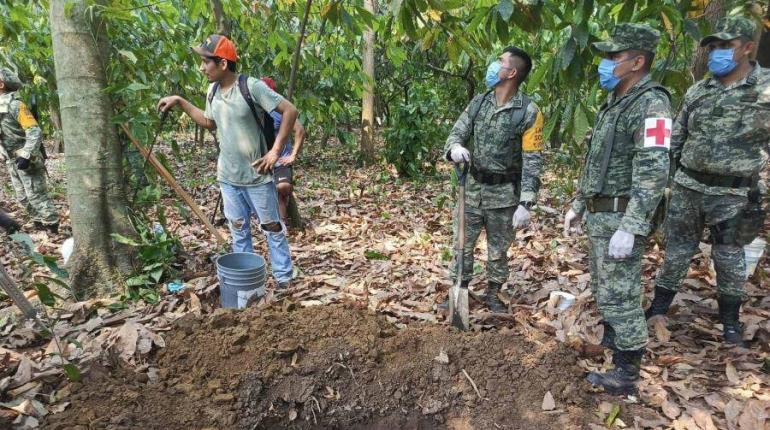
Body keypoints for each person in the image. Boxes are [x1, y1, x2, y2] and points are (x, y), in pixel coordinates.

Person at [563, 24, 672, 395]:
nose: (605, 64)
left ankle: (626, 374)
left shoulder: (652, 103)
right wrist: (579, 204)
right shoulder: (615, 104)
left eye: (613, 57)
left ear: (637, 61)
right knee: (604, 288)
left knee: (620, 295)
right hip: (601, 214)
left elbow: (654, 170)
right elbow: (597, 163)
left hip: (621, 218)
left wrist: (632, 225)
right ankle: (612, 348)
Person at [647, 17, 769, 347]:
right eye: (713, 48)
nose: (717, 54)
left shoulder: (765, 89)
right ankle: (658, 309)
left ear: (748, 47)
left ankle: (730, 324)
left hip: (734, 193)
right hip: (689, 187)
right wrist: (667, 180)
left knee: (729, 259)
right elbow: (677, 137)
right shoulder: (699, 90)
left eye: (725, 47)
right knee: (676, 253)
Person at [157, 35, 297, 289]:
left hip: (257, 176)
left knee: (272, 228)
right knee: (238, 230)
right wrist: (179, 101)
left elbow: (290, 111)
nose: (202, 68)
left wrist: (276, 151)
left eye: (205, 62)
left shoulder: (251, 86)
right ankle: (246, 284)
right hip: (228, 178)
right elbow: (210, 121)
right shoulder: (212, 91)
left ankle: (284, 279)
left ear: (222, 64)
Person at [441, 46, 545, 313]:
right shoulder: (479, 103)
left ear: (511, 72)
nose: (493, 64)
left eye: (500, 61)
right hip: (472, 187)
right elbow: (457, 133)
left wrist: (526, 202)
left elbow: (533, 159)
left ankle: (493, 293)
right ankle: (459, 292)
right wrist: (454, 149)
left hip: (504, 194)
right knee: (462, 243)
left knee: (498, 250)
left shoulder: (529, 112)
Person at [0, 68, 59, 233]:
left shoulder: (15, 105)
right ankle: (39, 222)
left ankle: (52, 226)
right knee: (23, 198)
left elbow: (34, 131)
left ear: (1, 84)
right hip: (11, 160)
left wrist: (26, 154)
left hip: (26, 159)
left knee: (36, 195)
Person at [260, 77, 306, 226]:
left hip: (281, 160)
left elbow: (299, 130)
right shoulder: (255, 111)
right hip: (261, 161)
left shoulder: (281, 111)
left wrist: (294, 155)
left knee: (282, 188)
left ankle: (280, 227)